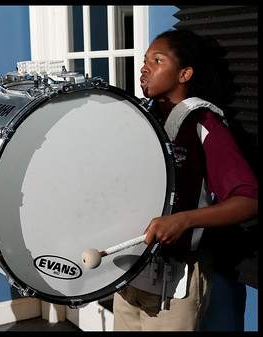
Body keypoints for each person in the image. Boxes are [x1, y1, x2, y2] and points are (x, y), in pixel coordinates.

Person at [112, 29, 258, 331]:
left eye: (157, 60)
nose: (144, 67)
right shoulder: (139, 119)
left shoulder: (206, 125)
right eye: (144, 60)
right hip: (127, 276)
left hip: (174, 285)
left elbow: (249, 199)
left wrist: (185, 220)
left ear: (184, 73)